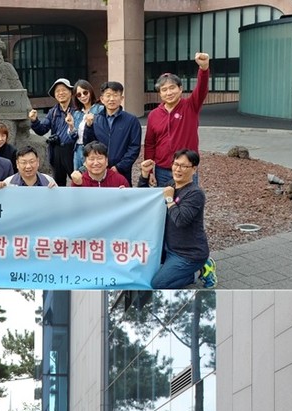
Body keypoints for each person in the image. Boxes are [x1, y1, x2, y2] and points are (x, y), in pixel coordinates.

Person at [139, 151, 216, 289]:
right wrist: (144, 175)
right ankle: (180, 269)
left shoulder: (195, 194)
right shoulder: (171, 185)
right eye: (176, 164)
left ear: (194, 169)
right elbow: (146, 200)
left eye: (184, 166)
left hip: (189, 254)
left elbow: (180, 220)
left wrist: (169, 199)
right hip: (169, 248)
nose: (178, 169)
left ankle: (197, 272)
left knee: (157, 284)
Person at [144, 53, 210, 188]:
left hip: (186, 168)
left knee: (188, 204)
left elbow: (201, 89)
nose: (169, 93)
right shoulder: (154, 115)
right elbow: (150, 144)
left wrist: (203, 69)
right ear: (160, 94)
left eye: (172, 88)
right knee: (165, 204)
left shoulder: (191, 106)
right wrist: (149, 170)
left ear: (180, 89)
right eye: (164, 90)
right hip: (162, 170)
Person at [83, 81, 141, 186]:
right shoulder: (96, 120)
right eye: (108, 96)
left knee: (123, 198)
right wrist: (88, 127)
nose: (112, 99)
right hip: (99, 171)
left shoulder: (131, 120)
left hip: (122, 172)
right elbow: (89, 145)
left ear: (121, 98)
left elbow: (134, 148)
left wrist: (120, 167)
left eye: (115, 95)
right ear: (102, 99)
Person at [29, 77, 76, 186]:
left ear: (70, 92)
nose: (61, 93)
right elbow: (42, 130)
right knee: (59, 183)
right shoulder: (53, 112)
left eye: (64, 90)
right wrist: (34, 120)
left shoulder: (77, 110)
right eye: (58, 91)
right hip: (56, 150)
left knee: (76, 181)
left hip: (72, 151)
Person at [67, 79, 101, 171]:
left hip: (93, 150)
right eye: (79, 94)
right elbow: (73, 137)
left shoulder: (100, 109)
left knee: (91, 176)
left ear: (90, 91)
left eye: (85, 92)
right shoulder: (77, 113)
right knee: (77, 177)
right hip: (77, 150)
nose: (82, 96)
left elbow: (101, 132)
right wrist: (71, 126)